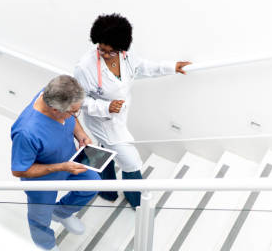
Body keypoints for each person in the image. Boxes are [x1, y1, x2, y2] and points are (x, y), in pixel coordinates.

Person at [74, 14, 191, 208]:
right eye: (100, 48)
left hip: (119, 115)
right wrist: (105, 107)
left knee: (104, 148)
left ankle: (106, 190)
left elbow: (142, 67)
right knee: (131, 161)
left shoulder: (126, 54)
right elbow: (78, 100)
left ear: (121, 48)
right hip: (100, 120)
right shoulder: (84, 67)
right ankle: (137, 201)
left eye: (109, 51)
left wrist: (172, 67)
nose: (103, 53)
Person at [11, 75, 101, 251]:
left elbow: (72, 120)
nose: (75, 115)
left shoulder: (53, 95)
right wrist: (60, 167)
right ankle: (46, 245)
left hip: (70, 160)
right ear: (55, 110)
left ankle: (60, 213)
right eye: (73, 112)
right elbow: (19, 170)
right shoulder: (26, 132)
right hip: (42, 181)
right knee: (39, 219)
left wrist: (81, 135)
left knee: (93, 184)